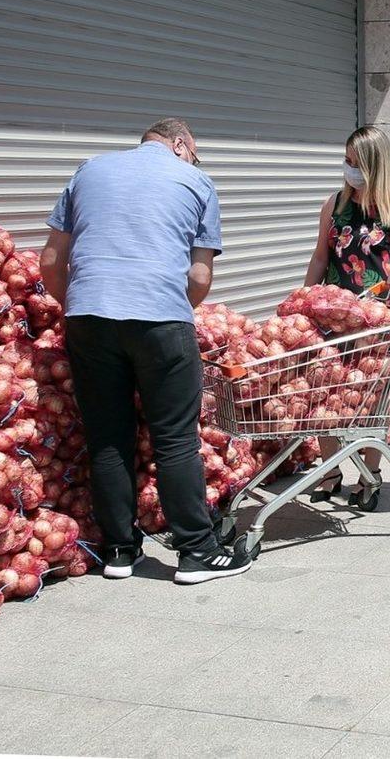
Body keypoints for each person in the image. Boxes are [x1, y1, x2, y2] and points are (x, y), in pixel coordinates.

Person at [40, 118, 251, 584]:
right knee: (174, 438)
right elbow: (199, 278)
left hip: (88, 318)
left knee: (108, 437)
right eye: (193, 153)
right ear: (180, 145)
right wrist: (173, 309)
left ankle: (118, 552)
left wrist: (77, 306)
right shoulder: (196, 181)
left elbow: (52, 259)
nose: (194, 161)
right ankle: (197, 551)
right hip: (159, 319)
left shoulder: (89, 169)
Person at [303, 126, 390, 504]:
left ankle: (371, 474)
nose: (348, 168)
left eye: (356, 162)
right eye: (346, 161)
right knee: (325, 393)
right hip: (333, 318)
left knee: (373, 398)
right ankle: (330, 470)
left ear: (374, 164)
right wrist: (305, 299)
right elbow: (321, 256)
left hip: (378, 321)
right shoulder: (334, 205)